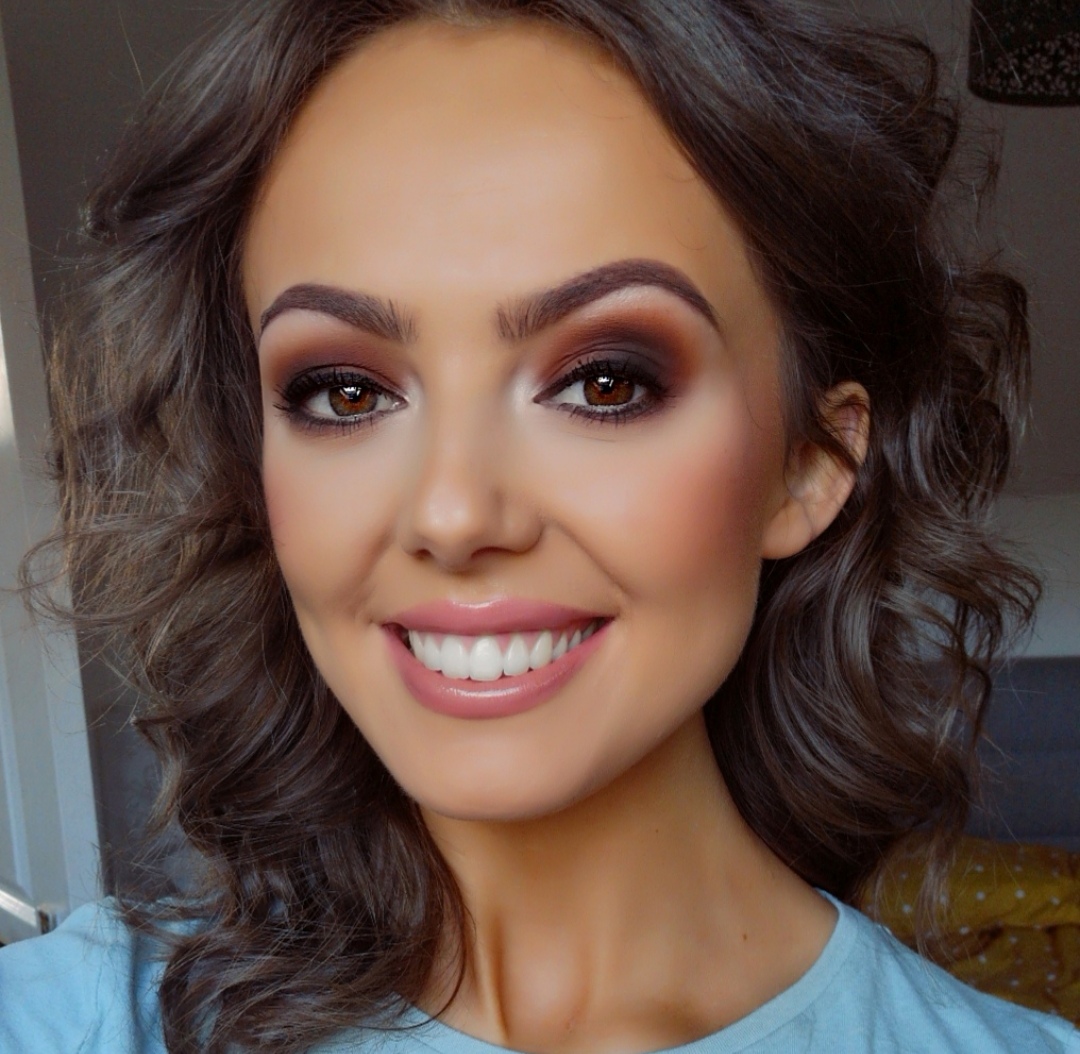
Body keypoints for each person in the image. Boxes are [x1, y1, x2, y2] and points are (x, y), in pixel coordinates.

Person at [3, 1, 1077, 1052]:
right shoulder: (84, 1018)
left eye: (605, 382)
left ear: (810, 463)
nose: (454, 512)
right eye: (345, 393)